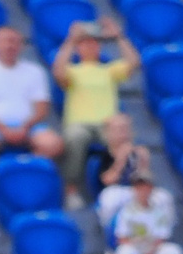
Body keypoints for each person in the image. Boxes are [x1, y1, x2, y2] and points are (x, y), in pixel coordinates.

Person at [0, 26, 64, 178]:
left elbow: (42, 108)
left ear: (21, 45)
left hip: (29, 127)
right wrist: (3, 128)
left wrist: (25, 127)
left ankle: (24, 175)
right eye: (5, 41)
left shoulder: (35, 71)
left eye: (14, 42)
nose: (9, 46)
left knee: (53, 145)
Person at [51, 20, 136, 191]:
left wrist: (119, 36)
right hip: (80, 124)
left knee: (123, 138)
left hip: (107, 125)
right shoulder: (73, 71)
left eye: (94, 43)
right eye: (85, 43)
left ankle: (126, 184)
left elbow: (133, 62)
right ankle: (71, 187)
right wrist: (71, 40)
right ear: (78, 48)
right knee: (75, 137)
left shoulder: (108, 70)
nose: (90, 46)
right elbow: (58, 73)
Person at [108, 154, 183, 254]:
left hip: (154, 248)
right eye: (138, 187)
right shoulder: (126, 211)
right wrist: (140, 247)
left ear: (151, 188)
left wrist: (151, 250)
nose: (142, 190)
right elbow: (121, 237)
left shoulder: (159, 211)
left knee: (173, 252)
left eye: (145, 186)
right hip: (135, 247)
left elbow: (163, 236)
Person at [88, 112, 140, 209]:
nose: (124, 133)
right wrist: (120, 160)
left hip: (137, 192)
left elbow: (145, 181)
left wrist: (142, 162)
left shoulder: (136, 154)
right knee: (112, 198)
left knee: (162, 197)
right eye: (120, 129)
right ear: (108, 133)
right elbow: (107, 181)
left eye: (126, 129)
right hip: (111, 194)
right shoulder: (101, 155)